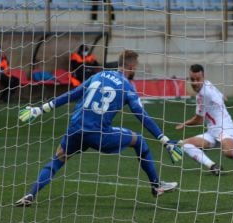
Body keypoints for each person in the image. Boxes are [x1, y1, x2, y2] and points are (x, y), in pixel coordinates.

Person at [15, 50, 183, 207]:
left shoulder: (98, 75)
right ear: (131, 67)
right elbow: (142, 116)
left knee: (57, 160)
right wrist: (165, 141)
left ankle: (30, 195)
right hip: (98, 134)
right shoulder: (127, 87)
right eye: (136, 68)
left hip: (75, 128)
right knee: (138, 140)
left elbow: (72, 94)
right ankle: (156, 185)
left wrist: (40, 109)